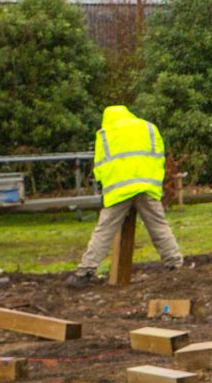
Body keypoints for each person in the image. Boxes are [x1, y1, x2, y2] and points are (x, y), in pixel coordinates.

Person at [69, 105, 184, 285]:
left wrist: (105, 189)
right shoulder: (148, 127)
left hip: (119, 190)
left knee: (104, 230)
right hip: (147, 186)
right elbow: (159, 155)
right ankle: (175, 265)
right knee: (159, 226)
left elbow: (100, 166)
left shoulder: (105, 134)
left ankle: (85, 272)